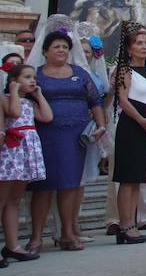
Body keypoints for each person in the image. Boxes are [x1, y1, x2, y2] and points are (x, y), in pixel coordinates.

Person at [26, 26, 106, 252]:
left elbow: (95, 101)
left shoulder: (80, 74)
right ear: (45, 51)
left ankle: (68, 233)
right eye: (56, 47)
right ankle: (36, 237)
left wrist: (100, 126)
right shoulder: (37, 74)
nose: (61, 50)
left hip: (75, 137)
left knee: (70, 185)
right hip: (45, 135)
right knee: (43, 186)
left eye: (65, 47)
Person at [111, 22, 146, 245]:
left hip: (145, 127)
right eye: (139, 43)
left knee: (137, 179)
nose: (144, 46)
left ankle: (132, 224)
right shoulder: (125, 70)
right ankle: (125, 226)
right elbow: (122, 100)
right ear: (129, 48)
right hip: (130, 126)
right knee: (127, 178)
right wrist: (140, 120)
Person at [0, 64, 51, 263]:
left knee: (14, 200)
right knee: (2, 200)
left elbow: (47, 116)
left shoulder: (30, 102)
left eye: (34, 77)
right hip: (11, 153)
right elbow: (13, 113)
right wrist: (13, 91)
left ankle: (13, 245)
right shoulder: (5, 99)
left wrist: (39, 95)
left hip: (26, 154)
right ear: (14, 80)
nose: (32, 81)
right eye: (27, 77)